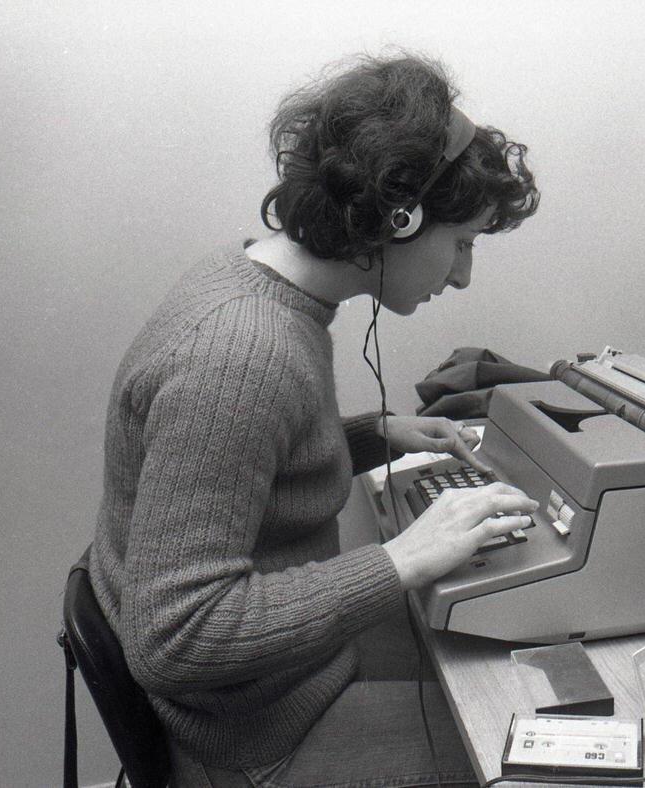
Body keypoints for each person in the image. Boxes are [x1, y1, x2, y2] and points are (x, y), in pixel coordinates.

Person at [86, 52, 540, 787]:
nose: (462, 274)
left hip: (267, 685)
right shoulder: (243, 354)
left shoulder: (255, 282)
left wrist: (371, 435)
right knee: (522, 752)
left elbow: (250, 468)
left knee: (489, 661)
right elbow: (174, 637)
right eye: (462, 243)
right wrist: (404, 558)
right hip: (252, 736)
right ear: (400, 219)